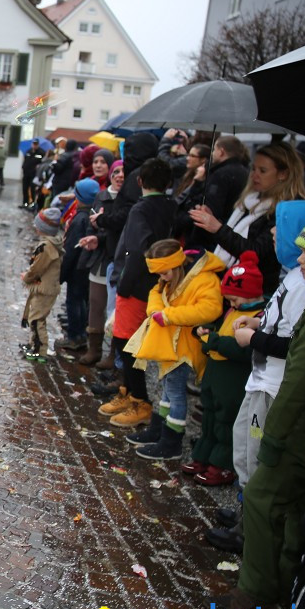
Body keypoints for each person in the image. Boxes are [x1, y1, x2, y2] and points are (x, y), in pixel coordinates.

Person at [207, 201, 305, 555]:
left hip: (273, 385)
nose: (272, 233)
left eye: (280, 228)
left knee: (255, 457)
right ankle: (246, 513)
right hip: (260, 378)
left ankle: (250, 530)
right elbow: (279, 316)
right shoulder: (294, 273)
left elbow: (295, 343)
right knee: (243, 449)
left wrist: (252, 338)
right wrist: (258, 322)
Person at [231, 217, 305, 609]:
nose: (301, 258)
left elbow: (301, 379)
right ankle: (285, 585)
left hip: (301, 427)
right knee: (294, 509)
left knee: (262, 498)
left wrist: (275, 437)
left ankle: (256, 593)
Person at [122, 238, 224, 460]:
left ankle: (171, 442)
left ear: (177, 265)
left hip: (185, 347)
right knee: (166, 390)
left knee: (175, 393)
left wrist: (168, 316)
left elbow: (210, 309)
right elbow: (155, 293)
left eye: (164, 273)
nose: (161, 279)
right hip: (170, 343)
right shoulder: (172, 277)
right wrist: (157, 311)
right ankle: (160, 430)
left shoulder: (204, 279)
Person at [98, 158, 177, 428]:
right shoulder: (171, 206)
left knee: (125, 342)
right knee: (129, 343)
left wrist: (124, 283)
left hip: (135, 285)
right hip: (154, 283)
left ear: (140, 182)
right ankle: (130, 393)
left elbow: (136, 250)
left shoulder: (141, 209)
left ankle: (139, 400)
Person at [183, 251, 264, 485]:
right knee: (208, 417)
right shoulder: (232, 310)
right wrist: (205, 331)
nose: (231, 304)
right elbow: (220, 327)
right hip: (215, 373)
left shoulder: (258, 316)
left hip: (233, 377)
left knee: (225, 422)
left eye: (236, 300)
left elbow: (245, 349)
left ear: (251, 295)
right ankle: (203, 455)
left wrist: (215, 341)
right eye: (229, 299)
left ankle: (222, 464)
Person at [189, 142, 305, 295]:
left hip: (255, 290)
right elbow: (234, 237)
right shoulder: (250, 199)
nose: (254, 175)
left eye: (262, 171)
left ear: (283, 174)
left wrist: (218, 228)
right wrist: (212, 221)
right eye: (253, 168)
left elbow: (255, 252)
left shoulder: (285, 211)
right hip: (231, 281)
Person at [78, 161, 125, 367]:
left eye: (124, 172)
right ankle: (94, 349)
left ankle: (112, 353)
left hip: (118, 259)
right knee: (96, 303)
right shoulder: (101, 196)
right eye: (116, 172)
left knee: (115, 308)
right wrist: (92, 238)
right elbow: (92, 224)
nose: (120, 176)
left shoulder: (128, 202)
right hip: (99, 258)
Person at [56, 178, 100, 353]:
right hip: (86, 267)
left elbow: (71, 249)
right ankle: (81, 334)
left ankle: (75, 336)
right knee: (82, 300)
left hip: (76, 268)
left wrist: (62, 272)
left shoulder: (80, 219)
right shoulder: (92, 214)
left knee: (73, 301)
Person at [189, 136, 250, 251]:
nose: (212, 153)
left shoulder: (220, 174)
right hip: (234, 232)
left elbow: (213, 207)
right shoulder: (245, 171)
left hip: (214, 238)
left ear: (221, 151)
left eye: (214, 150)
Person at [20, 207, 64, 363]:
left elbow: (38, 268)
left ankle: (40, 350)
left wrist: (27, 277)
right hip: (45, 286)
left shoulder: (46, 247)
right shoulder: (51, 243)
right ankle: (35, 345)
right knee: (37, 317)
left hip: (44, 288)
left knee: (36, 319)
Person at [20, 139, 44, 209]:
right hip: (26, 173)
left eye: (36, 144)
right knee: (25, 188)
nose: (34, 145)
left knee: (33, 189)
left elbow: (42, 162)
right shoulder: (28, 151)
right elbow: (25, 160)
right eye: (33, 144)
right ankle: (25, 203)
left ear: (38, 145)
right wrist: (23, 167)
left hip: (34, 174)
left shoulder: (41, 152)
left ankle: (32, 203)